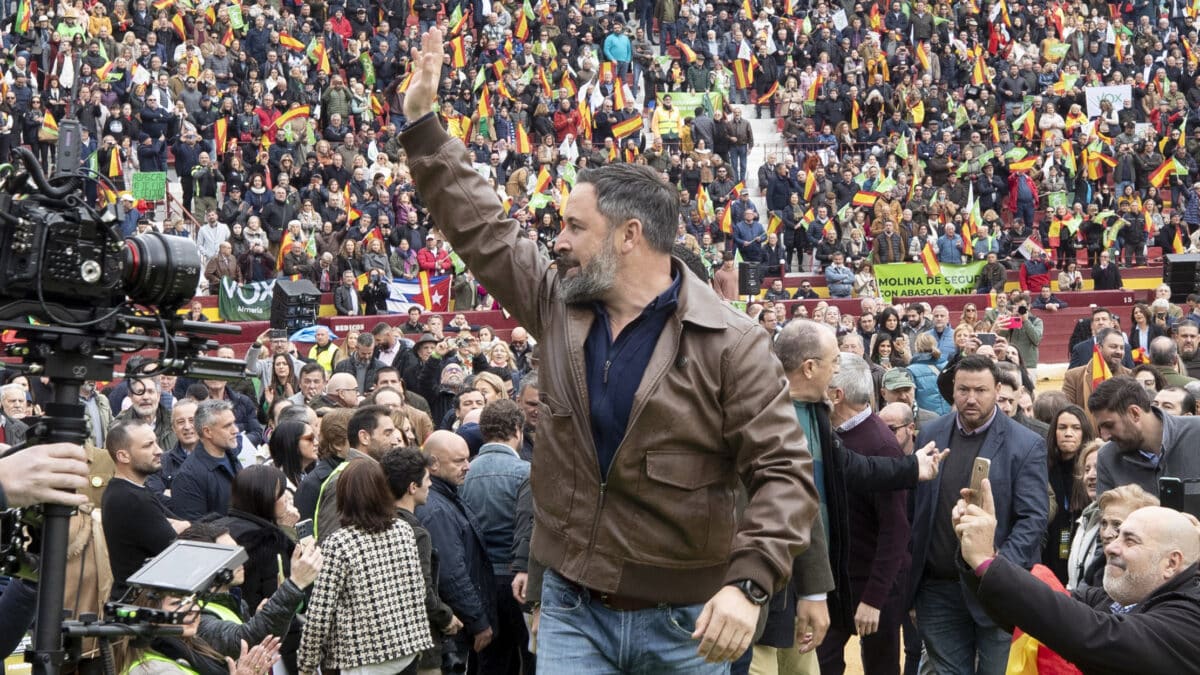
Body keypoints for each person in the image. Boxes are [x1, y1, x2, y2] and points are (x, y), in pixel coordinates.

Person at [402, 29, 818, 671]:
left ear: (629, 236)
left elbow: (785, 475)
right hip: (573, 609)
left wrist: (749, 582)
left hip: (690, 621)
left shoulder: (733, 343)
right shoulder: (557, 305)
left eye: (574, 226)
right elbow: (483, 229)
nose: (557, 240)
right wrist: (425, 128)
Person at [954, 479, 1200, 674]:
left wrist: (987, 562)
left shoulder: (1189, 618)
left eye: (1130, 540)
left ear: (1171, 562)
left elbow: (1094, 635)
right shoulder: (1108, 598)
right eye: (1112, 530)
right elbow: (1038, 615)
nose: (1111, 546)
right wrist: (979, 557)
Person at [908, 355, 1049, 675]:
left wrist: (996, 569)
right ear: (953, 390)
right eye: (963, 390)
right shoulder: (930, 433)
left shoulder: (1026, 444)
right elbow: (916, 509)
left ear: (998, 389)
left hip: (998, 593)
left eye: (981, 390)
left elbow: (1033, 519)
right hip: (938, 590)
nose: (971, 398)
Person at [816, 353, 910, 675]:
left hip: (873, 587)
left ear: (837, 395)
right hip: (835, 584)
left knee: (880, 669)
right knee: (822, 663)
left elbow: (895, 531)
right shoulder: (828, 434)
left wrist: (874, 599)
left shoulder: (881, 446)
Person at [298, 460, 434, 674]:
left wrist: (306, 665)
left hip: (360, 660)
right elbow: (417, 589)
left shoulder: (339, 543)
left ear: (344, 495)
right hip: (406, 651)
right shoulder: (404, 530)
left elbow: (319, 614)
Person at [458, 400, 531, 673]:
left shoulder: (465, 472)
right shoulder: (527, 472)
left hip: (479, 582)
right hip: (520, 582)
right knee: (531, 659)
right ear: (517, 429)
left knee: (492, 663)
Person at [416, 430, 496, 670]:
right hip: (454, 628)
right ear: (434, 464)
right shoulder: (435, 509)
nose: (468, 466)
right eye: (459, 461)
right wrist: (478, 621)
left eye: (467, 459)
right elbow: (452, 573)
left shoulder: (446, 496)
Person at [383, 447, 464, 673]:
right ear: (412, 487)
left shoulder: (378, 524)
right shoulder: (415, 533)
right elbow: (422, 590)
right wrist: (446, 618)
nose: (430, 485)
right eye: (427, 479)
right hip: (421, 645)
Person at [101, 420, 189, 596]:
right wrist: (180, 526)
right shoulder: (131, 498)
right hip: (140, 602)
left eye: (156, 442)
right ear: (123, 456)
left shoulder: (135, 490)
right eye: (148, 445)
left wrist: (181, 525)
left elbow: (182, 524)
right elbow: (178, 550)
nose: (159, 450)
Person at [1090, 376, 1200, 498]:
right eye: (1101, 428)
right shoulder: (1107, 458)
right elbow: (1107, 514)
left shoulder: (1196, 432)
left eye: (1109, 425)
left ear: (1134, 413)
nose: (1105, 437)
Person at [314, 405, 400, 542]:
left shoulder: (374, 473)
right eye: (387, 434)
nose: (395, 441)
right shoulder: (345, 479)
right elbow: (329, 540)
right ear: (364, 437)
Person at [169, 399, 243, 521]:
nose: (235, 430)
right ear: (207, 432)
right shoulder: (188, 477)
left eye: (234, 423)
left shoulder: (231, 457)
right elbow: (194, 528)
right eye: (227, 426)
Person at [1063, 328, 1131, 425]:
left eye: (1122, 348)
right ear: (1099, 348)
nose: (1119, 352)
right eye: (1113, 347)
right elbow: (1067, 412)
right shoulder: (1074, 376)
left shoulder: (1130, 376)